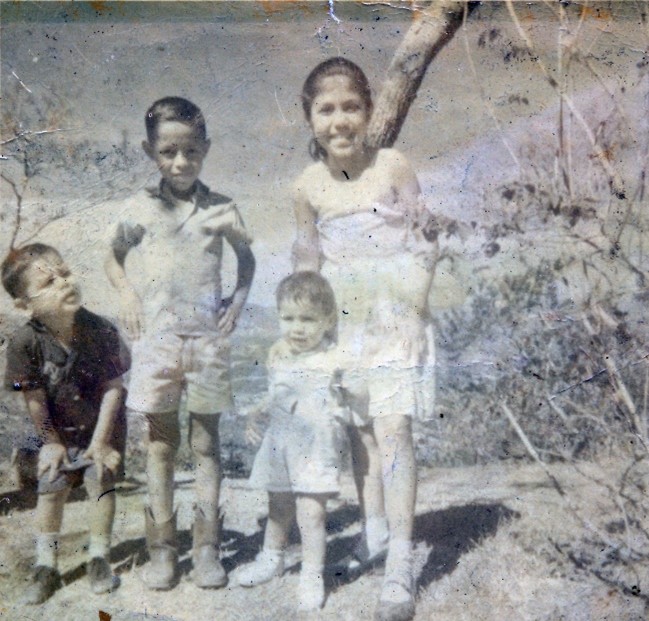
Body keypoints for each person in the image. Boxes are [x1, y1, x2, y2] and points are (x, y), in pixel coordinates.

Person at [292, 57, 438, 621]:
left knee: (394, 428)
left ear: (370, 110)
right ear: (310, 120)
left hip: (395, 314)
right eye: (325, 110)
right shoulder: (306, 185)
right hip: (344, 325)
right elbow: (307, 255)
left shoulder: (393, 165)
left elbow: (425, 236)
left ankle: (400, 563)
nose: (339, 120)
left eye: (350, 106)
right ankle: (373, 529)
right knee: (362, 435)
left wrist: (416, 303)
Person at [105, 96, 255, 590]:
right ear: (152, 152)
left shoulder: (222, 208)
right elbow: (113, 257)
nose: (180, 162)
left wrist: (238, 298)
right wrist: (126, 292)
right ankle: (163, 551)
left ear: (205, 148)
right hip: (158, 343)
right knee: (161, 447)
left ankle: (207, 548)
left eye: (191, 151)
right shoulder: (138, 208)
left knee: (206, 444)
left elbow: (245, 259)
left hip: (207, 343)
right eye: (168, 152)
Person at [2, 243, 129, 604]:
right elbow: (34, 400)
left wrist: (102, 443)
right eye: (48, 283)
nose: (63, 283)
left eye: (65, 273)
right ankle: (46, 563)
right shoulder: (25, 342)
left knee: (101, 481)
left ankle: (99, 557)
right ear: (25, 305)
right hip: (54, 431)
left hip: (102, 428)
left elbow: (113, 389)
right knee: (52, 485)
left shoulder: (101, 329)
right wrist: (51, 443)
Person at [234, 272, 350, 611]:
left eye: (308, 319)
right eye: (288, 318)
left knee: (311, 512)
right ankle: (273, 557)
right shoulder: (280, 354)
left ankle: (312, 574)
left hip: (316, 447)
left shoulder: (334, 358)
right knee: (278, 506)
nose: (297, 328)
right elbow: (278, 394)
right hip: (281, 441)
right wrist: (256, 414)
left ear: (328, 320)